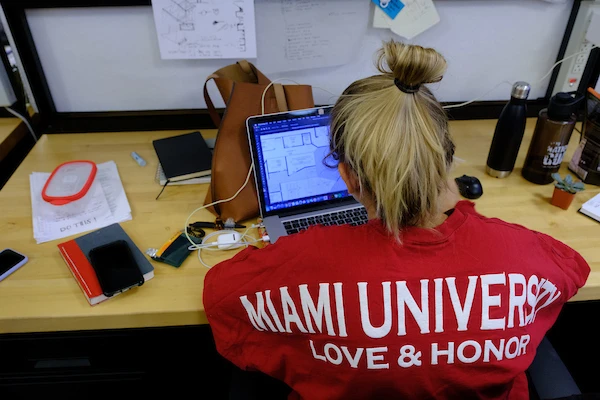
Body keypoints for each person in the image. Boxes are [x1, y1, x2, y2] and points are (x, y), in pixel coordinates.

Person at [203, 41, 590, 399]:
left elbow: (219, 295)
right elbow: (573, 271)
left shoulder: (304, 262)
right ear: (446, 159)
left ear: (348, 178)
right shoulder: (520, 253)